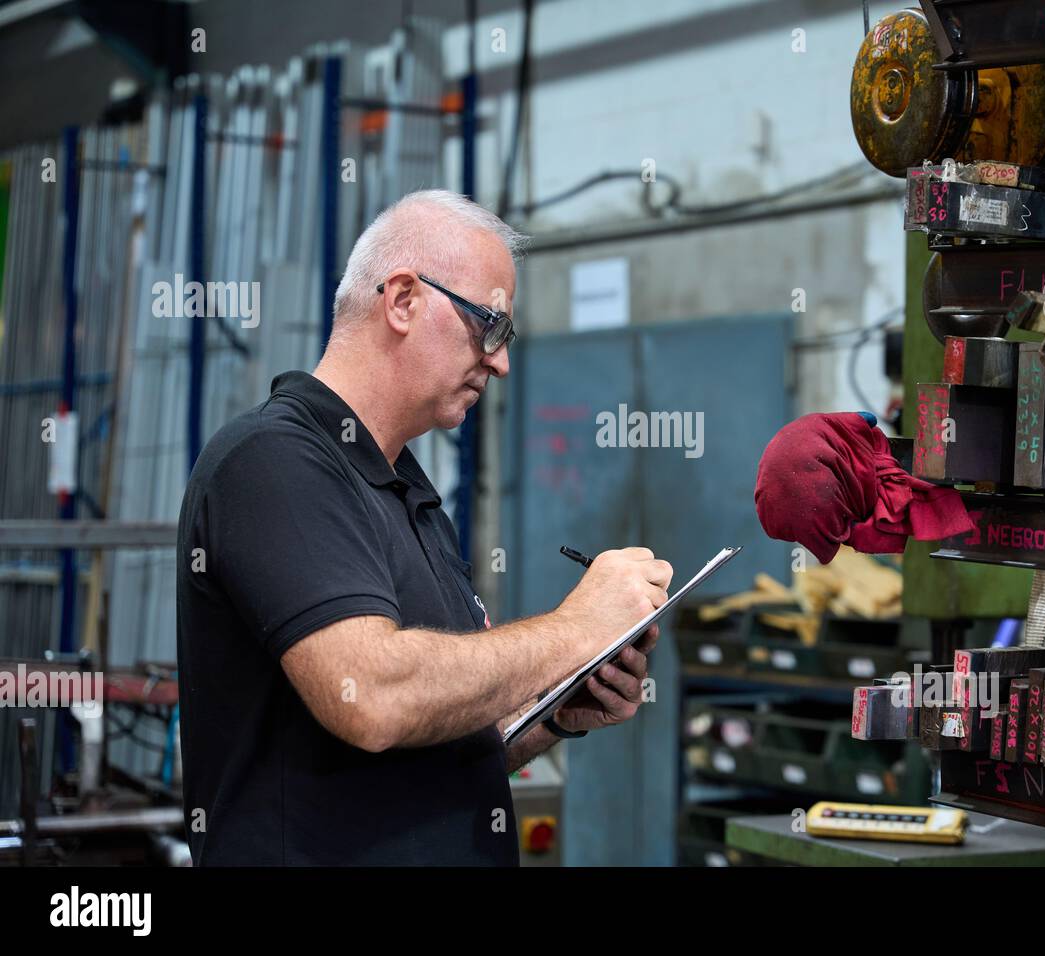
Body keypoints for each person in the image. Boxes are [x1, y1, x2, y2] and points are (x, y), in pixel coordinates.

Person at [176, 190, 673, 865]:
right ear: (404, 299)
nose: (499, 361)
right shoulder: (271, 462)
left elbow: (435, 726)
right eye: (489, 325)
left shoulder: (406, 490)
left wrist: (554, 706)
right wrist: (577, 628)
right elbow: (373, 698)